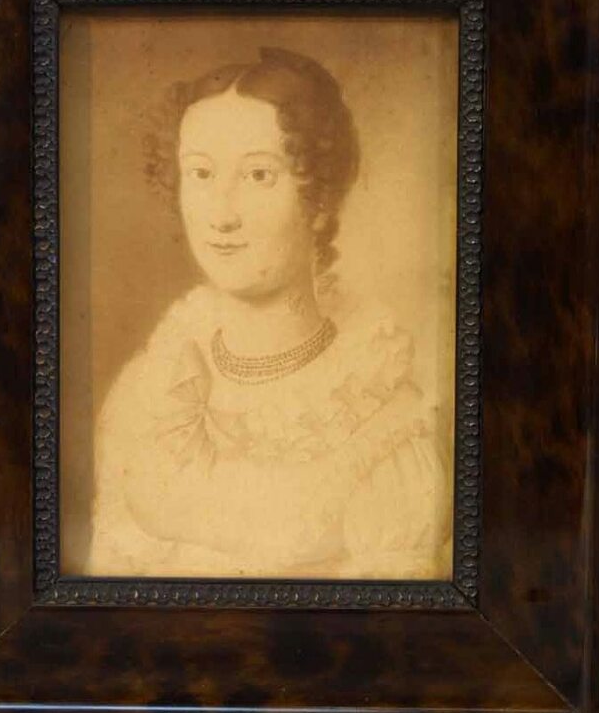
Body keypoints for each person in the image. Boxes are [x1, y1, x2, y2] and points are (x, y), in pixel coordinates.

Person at [85, 46, 452, 580]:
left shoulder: (387, 426)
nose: (221, 214)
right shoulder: (146, 397)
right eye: (201, 173)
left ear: (319, 199)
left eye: (259, 175)